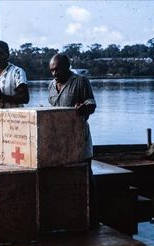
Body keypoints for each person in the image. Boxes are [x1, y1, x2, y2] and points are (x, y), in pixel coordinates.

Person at [47, 53, 98, 229]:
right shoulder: (51, 86)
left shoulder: (80, 81)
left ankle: (92, 217)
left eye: (57, 70)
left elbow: (92, 104)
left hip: (79, 139)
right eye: (52, 70)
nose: (54, 74)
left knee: (86, 176)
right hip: (59, 141)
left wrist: (85, 108)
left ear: (67, 67)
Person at [0, 40, 29, 108]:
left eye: (1, 54)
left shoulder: (17, 72)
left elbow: (25, 98)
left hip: (15, 117)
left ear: (7, 55)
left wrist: (1, 96)